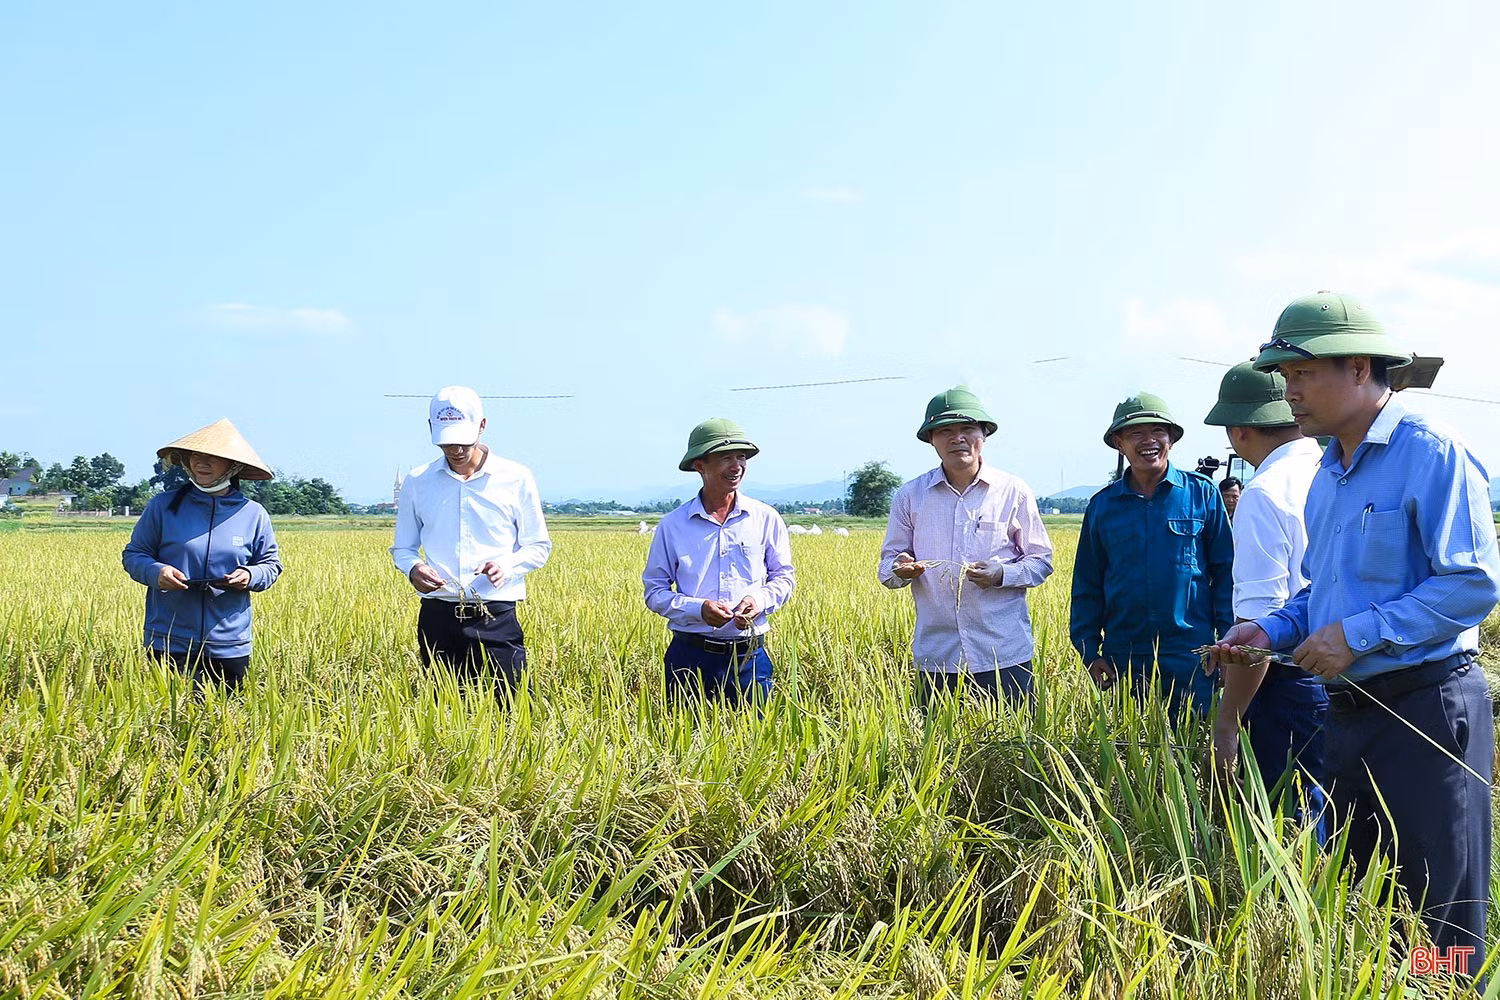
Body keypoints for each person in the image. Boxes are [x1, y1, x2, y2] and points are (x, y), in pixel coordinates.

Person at [1211, 292, 1499, 972]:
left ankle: (1445, 990)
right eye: (1284, 379)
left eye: (1302, 375)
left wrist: (1360, 634)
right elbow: (1321, 593)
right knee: (1358, 899)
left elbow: (1472, 582)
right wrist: (1270, 631)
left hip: (1426, 711)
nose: (1290, 394)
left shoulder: (1429, 453)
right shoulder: (1328, 475)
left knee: (1438, 920)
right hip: (1350, 718)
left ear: (1360, 367)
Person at [1202, 362, 1328, 833]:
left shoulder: (1264, 493)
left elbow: (1259, 634)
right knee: (1338, 817)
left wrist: (1227, 722)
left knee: (1287, 828)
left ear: (1238, 432)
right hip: (1355, 676)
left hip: (1290, 688)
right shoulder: (1338, 470)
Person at [879, 386, 1054, 706]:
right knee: (937, 750)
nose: (957, 438)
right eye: (945, 430)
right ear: (931, 439)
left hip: (1003, 654)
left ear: (984, 434)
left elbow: (1041, 561)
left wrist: (1001, 573)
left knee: (1012, 748)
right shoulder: (910, 496)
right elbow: (889, 565)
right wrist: (901, 569)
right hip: (936, 656)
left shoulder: (1013, 491)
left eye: (967, 429)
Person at [1070, 392, 1233, 719]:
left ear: (1171, 438)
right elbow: (1087, 583)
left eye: (1158, 431)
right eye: (1135, 434)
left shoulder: (1202, 493)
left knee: (1194, 749)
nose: (1149, 441)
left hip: (1192, 655)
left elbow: (1227, 574)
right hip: (1123, 658)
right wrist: (1089, 651)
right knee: (1127, 757)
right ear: (1119, 443)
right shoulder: (1103, 506)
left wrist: (1227, 644)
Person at [391, 386, 551, 690]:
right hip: (437, 615)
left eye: (463, 440)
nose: (456, 450)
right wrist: (413, 568)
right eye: (447, 442)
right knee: (444, 709)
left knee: (511, 708)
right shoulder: (418, 481)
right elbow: (404, 548)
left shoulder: (515, 477)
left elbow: (538, 546)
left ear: (482, 426)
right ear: (431, 430)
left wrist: (507, 567)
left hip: (495, 615)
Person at [642, 418, 795, 704]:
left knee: (757, 741)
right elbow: (654, 592)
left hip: (749, 657)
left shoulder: (765, 518)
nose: (736, 466)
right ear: (700, 465)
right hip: (690, 658)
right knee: (685, 741)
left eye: (741, 457)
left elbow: (783, 577)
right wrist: (698, 609)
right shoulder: (673, 525)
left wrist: (758, 601)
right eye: (725, 458)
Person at [122, 419, 282, 690]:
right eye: (196, 455)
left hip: (228, 643)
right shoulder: (163, 507)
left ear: (233, 466)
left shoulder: (252, 514)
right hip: (168, 638)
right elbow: (135, 554)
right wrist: (157, 573)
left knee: (226, 722)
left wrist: (249, 574)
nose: (201, 463)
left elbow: (270, 565)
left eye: (213, 458)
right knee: (165, 719)